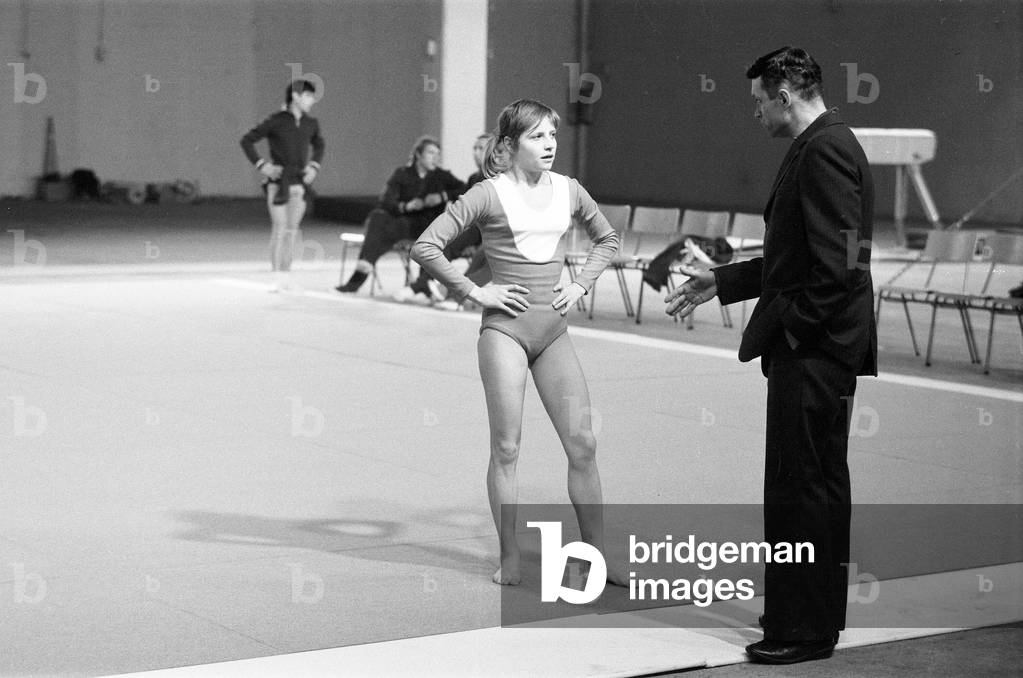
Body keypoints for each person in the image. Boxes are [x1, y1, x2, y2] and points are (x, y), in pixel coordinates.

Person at [665, 47, 876, 665]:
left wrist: (794, 332)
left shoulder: (826, 149)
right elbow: (800, 256)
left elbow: (840, 266)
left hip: (814, 351)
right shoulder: (822, 145)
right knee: (812, 486)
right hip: (818, 347)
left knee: (801, 489)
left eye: (759, 99)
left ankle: (803, 629)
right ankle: (809, 618)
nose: (755, 111)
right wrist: (726, 280)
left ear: (785, 94)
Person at [411, 99, 624, 586]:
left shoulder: (570, 191)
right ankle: (509, 556)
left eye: (552, 135)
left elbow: (607, 239)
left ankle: (598, 556)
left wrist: (582, 282)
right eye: (536, 137)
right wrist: (473, 290)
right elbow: (426, 245)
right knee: (507, 448)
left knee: (583, 444)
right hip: (505, 333)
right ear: (509, 146)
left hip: (554, 334)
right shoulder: (488, 194)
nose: (549, 144)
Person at [335, 136, 465, 294]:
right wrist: (406, 206)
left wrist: (442, 196)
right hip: (401, 222)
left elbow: (465, 189)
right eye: (431, 153)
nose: (436, 158)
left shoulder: (441, 176)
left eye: (438, 154)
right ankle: (365, 265)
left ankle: (363, 268)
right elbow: (386, 200)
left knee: (387, 229)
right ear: (418, 154)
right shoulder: (402, 174)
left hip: (426, 226)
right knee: (377, 216)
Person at [240, 80, 324, 292]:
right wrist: (263, 166)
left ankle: (286, 276)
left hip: (298, 183)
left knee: (291, 231)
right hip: (278, 182)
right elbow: (247, 140)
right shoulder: (277, 120)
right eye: (308, 96)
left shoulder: (310, 123)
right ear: (295, 96)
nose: (312, 101)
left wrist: (313, 167)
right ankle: (277, 277)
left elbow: (319, 144)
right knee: (280, 228)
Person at [398, 133, 493, 308]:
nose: (476, 152)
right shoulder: (474, 178)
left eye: (481, 148)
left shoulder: (495, 178)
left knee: (475, 255)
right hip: (472, 229)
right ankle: (427, 287)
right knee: (441, 244)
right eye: (475, 148)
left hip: (486, 231)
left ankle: (444, 293)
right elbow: (463, 202)